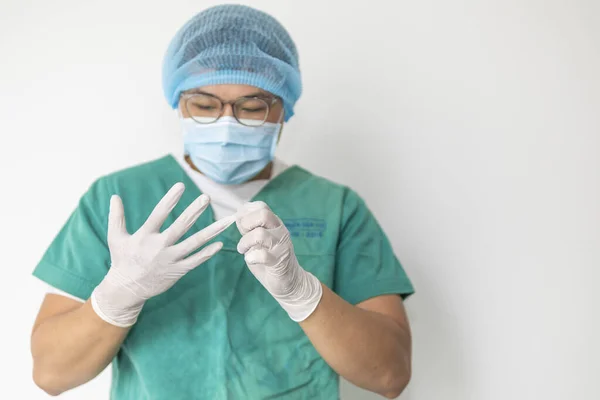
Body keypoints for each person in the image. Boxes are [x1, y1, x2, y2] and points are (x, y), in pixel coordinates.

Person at [30, 4, 414, 399]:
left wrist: (303, 293)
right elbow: (52, 374)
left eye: (252, 107)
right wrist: (117, 297)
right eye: (205, 104)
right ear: (178, 101)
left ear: (284, 108)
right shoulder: (117, 198)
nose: (227, 122)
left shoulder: (336, 207)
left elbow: (389, 375)